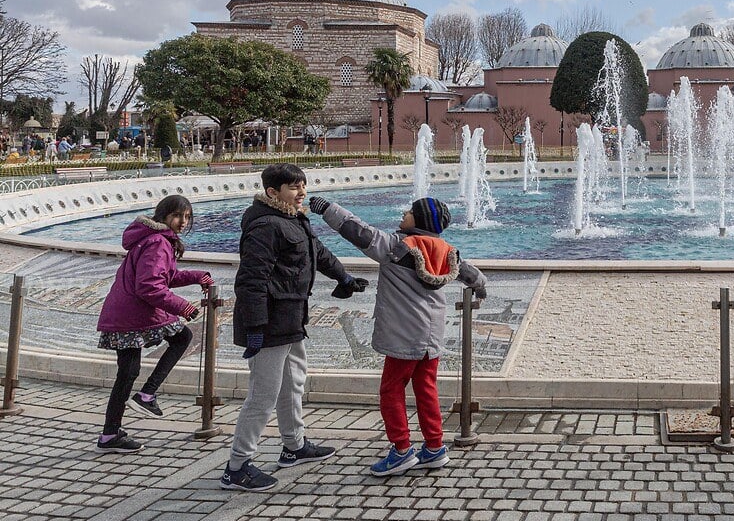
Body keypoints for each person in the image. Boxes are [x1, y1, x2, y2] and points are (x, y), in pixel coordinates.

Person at [307, 195, 487, 477]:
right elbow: (469, 274)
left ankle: (402, 450)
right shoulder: (447, 250)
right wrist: (481, 286)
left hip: (404, 335)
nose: (404, 212)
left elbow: (358, 231)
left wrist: (327, 208)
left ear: (421, 221)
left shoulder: (396, 247)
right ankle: (434, 446)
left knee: (391, 391)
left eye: (411, 211)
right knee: (426, 389)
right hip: (431, 336)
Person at [218, 163, 370, 492]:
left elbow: (317, 252)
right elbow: (251, 280)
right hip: (269, 322)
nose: (301, 192)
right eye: (293, 187)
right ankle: (237, 466)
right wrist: (256, 327)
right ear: (273, 192)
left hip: (291, 317)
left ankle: (294, 446)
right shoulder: (265, 225)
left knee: (292, 385)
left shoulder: (293, 218)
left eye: (302, 185)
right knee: (263, 395)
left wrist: (343, 276)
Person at [95, 195, 212, 452]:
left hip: (125, 311)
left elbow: (165, 276)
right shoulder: (158, 242)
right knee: (179, 339)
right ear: (164, 216)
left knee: (128, 372)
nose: (183, 222)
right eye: (178, 216)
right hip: (130, 314)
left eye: (188, 217)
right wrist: (184, 307)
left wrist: (197, 277)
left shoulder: (154, 238)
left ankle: (110, 434)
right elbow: (149, 286)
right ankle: (145, 397)